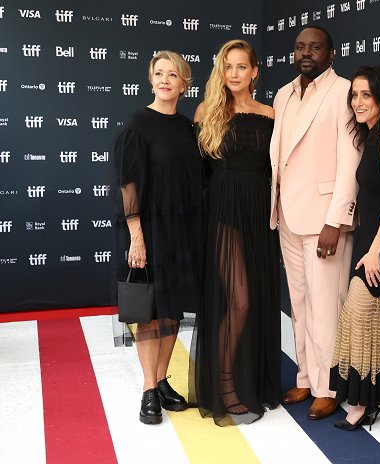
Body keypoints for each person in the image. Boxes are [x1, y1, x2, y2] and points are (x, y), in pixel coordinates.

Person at [269, 26, 361, 420]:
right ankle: (306, 376)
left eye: (316, 47)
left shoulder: (343, 92)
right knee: (300, 304)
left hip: (325, 219)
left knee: (327, 306)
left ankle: (329, 386)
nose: (307, 52)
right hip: (288, 215)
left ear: (332, 53)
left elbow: (351, 159)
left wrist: (337, 219)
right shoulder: (284, 94)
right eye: (300, 47)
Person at [189, 40, 281, 426]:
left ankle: (253, 381)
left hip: (259, 213)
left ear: (255, 71)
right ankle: (225, 385)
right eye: (228, 66)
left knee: (256, 300)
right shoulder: (207, 111)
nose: (234, 74)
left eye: (241, 67)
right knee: (239, 301)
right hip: (223, 212)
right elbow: (195, 175)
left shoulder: (270, 113)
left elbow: (277, 169)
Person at [111, 51, 205, 424]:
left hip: (181, 230)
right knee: (149, 314)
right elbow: (127, 185)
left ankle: (164, 380)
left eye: (173, 75)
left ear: (185, 83)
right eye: (159, 74)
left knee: (170, 310)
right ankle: (149, 388)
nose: (165, 80)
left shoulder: (187, 127)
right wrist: (137, 236)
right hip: (148, 229)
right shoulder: (137, 125)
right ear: (151, 80)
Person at [329, 66, 380, 431]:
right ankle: (372, 399)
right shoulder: (371, 135)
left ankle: (363, 402)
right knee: (369, 321)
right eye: (354, 96)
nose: (358, 102)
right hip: (368, 238)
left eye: (366, 95)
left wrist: (375, 250)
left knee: (362, 316)